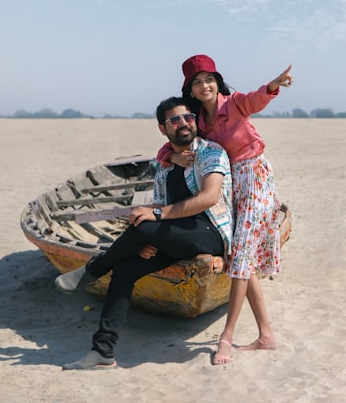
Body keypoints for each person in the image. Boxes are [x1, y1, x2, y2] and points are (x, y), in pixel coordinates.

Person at [57, 96, 234, 370]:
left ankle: (93, 269)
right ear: (163, 129)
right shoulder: (164, 167)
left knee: (147, 223)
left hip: (210, 234)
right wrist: (146, 237)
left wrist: (156, 220)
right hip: (177, 235)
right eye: (175, 120)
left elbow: (209, 198)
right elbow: (159, 206)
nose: (184, 124)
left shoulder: (211, 152)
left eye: (188, 117)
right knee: (126, 267)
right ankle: (102, 352)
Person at [156, 54, 292, 365]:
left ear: (218, 82)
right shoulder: (198, 122)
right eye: (197, 82)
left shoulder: (234, 104)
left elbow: (256, 99)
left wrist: (274, 85)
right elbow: (171, 146)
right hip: (230, 184)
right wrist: (170, 158)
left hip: (256, 177)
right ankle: (266, 335)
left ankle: (226, 338)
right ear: (190, 89)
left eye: (209, 79)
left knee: (241, 254)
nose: (205, 85)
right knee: (240, 255)